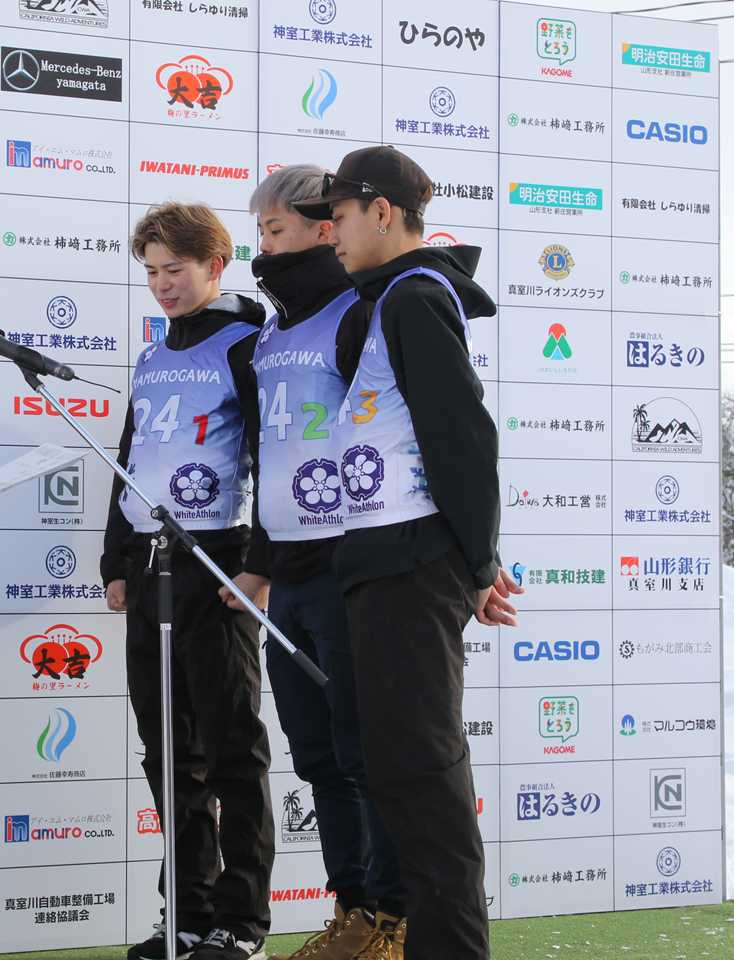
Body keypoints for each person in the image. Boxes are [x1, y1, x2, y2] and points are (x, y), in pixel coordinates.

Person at [293, 146, 520, 960]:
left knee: (422, 782)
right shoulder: (387, 299)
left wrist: (477, 564)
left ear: (382, 212)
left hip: (410, 568)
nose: (331, 233)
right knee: (401, 778)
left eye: (339, 216)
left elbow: (464, 437)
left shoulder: (416, 296)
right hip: (385, 564)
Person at [235, 165, 405, 960]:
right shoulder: (272, 330)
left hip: (349, 566)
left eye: (275, 231)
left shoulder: (358, 311)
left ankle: (393, 920)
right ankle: (352, 911)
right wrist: (259, 563)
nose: (264, 248)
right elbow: (269, 453)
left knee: (366, 753)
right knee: (321, 759)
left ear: (323, 227)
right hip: (290, 577)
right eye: (259, 233)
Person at [102, 201, 276, 960]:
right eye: (151, 272)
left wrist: (260, 564)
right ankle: (188, 914)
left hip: (217, 561)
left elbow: (273, 455)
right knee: (167, 751)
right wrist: (116, 560)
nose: (162, 284)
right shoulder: (152, 354)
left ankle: (243, 921)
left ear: (215, 265)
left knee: (232, 746)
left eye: (175, 269)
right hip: (151, 567)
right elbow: (130, 456)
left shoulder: (248, 344)